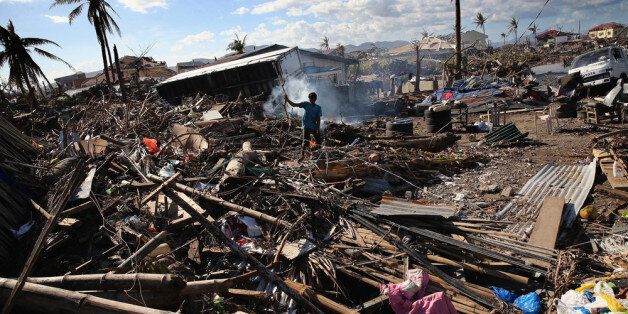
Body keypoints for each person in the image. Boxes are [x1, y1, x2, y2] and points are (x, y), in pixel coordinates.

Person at [284, 92, 322, 158]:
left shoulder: (318, 108)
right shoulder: (306, 104)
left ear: (315, 99)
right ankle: (302, 156)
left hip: (314, 126)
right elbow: (294, 105)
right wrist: (287, 100)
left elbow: (318, 119)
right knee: (305, 142)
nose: (311, 101)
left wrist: (318, 128)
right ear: (309, 99)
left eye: (313, 99)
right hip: (306, 126)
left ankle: (319, 155)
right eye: (310, 99)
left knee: (318, 141)